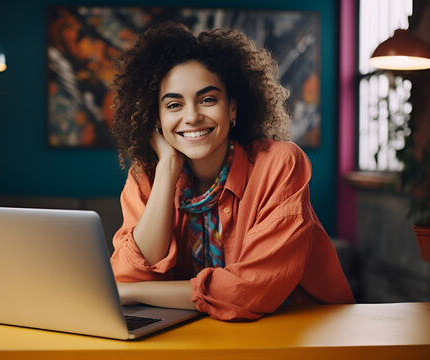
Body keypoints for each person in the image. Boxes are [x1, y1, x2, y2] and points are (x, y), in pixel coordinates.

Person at [109, 22, 355, 321]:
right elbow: (130, 273)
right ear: (156, 119)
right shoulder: (148, 175)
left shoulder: (280, 164)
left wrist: (134, 294)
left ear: (233, 109)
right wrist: (168, 167)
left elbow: (250, 292)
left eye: (208, 99)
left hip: (306, 331)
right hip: (205, 336)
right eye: (174, 104)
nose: (192, 116)